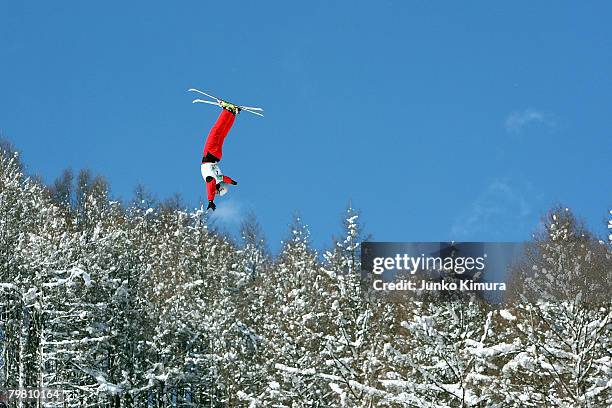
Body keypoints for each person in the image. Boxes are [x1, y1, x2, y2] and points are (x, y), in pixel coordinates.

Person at [200, 101, 240, 211]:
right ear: (219, 187)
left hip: (217, 156)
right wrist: (210, 200)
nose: (215, 193)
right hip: (210, 154)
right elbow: (210, 185)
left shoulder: (220, 177)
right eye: (218, 192)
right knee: (216, 131)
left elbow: (225, 179)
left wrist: (232, 182)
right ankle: (227, 111)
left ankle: (232, 114)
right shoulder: (213, 180)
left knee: (222, 134)